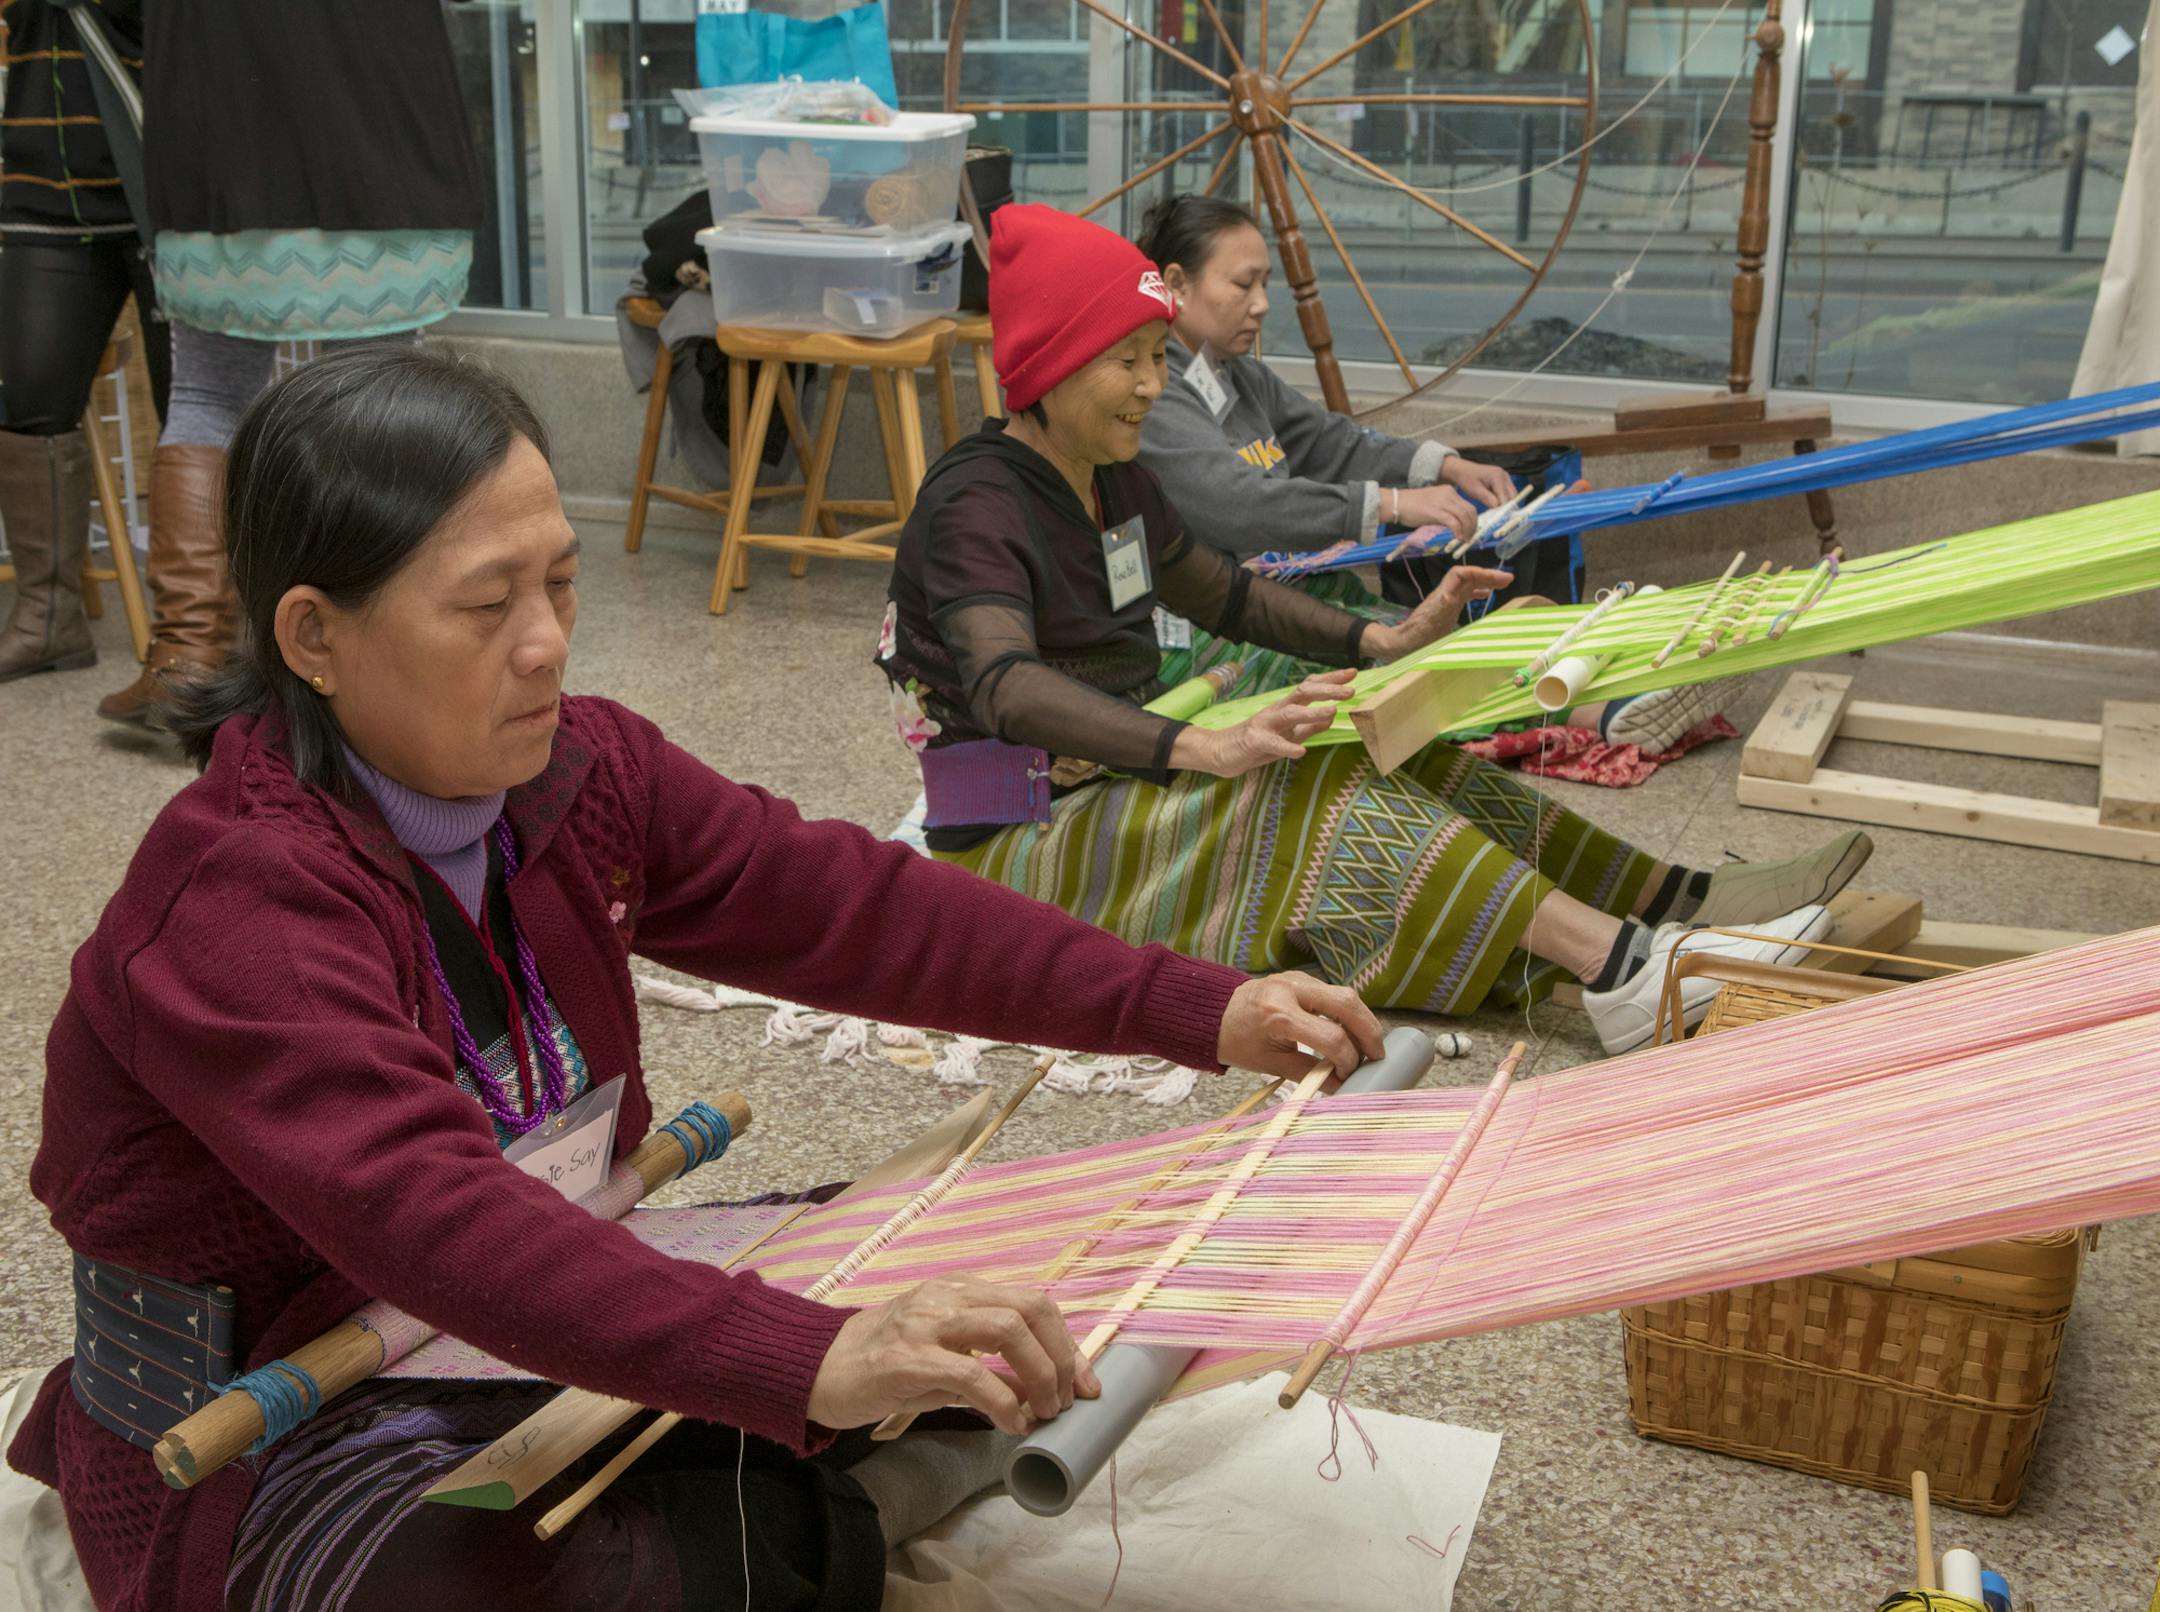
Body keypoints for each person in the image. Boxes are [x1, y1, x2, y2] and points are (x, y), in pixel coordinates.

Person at [5, 347, 1388, 1612]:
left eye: (558, 582)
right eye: (486, 605)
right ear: (314, 639)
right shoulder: (236, 905)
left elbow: (855, 910)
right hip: (289, 1407)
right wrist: (810, 1365)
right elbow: (432, 1219)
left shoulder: (576, 773)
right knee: (566, 1582)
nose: (545, 641)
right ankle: (801, 1499)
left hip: (537, 1300)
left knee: (992, 1331)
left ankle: (796, 1498)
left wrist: (1193, 1006)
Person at [877, 204, 1871, 1057]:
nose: (1151, 383)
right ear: (1049, 369)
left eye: (1153, 357)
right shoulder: (979, 505)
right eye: (1129, 362)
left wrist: (1379, 646)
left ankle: (1675, 901)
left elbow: (1222, 592)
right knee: (1320, 800)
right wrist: (1201, 745)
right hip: (1024, 838)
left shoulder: (1113, 477)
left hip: (1117, 779)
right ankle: (1620, 971)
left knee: (1395, 754)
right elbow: (1004, 685)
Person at [1131, 193, 1739, 755]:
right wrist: (1395, 504)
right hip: (1214, 626)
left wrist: (1443, 465)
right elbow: (1234, 503)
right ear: (1177, 285)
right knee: (1399, 664)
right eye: (1244, 284)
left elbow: (1326, 441)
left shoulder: (1233, 372)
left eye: (1265, 283)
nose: (1262, 303)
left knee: (1451, 630)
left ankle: (1619, 679)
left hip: (1285, 590)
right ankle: (1604, 708)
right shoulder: (1152, 388)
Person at [94, 0, 486, 727]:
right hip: (381, 138)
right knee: (374, 398)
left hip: (222, 144)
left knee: (207, 394)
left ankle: (185, 659)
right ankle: (372, 659)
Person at [0, 0, 170, 683]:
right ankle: (47, 620)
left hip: (172, 185)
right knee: (27, 402)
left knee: (201, 406)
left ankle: (225, 626)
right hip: (43, 195)